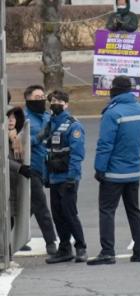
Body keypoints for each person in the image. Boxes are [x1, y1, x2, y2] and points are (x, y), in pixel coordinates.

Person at [87, 76, 140, 266]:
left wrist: (100, 168)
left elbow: (105, 144)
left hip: (114, 173)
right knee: (134, 210)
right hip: (133, 170)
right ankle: (139, 250)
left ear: (113, 90)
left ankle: (108, 252)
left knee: (107, 211)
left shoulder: (112, 114)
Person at [43, 90, 88, 264]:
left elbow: (77, 154)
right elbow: (48, 153)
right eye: (53, 100)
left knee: (70, 213)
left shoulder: (73, 125)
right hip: (54, 178)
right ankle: (64, 249)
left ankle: (81, 247)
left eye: (59, 101)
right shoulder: (51, 124)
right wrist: (46, 176)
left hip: (67, 178)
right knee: (58, 215)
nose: (55, 103)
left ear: (66, 104)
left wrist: (72, 177)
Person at [23, 85, 58, 255]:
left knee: (28, 206)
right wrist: (38, 137)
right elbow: (18, 141)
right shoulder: (23, 118)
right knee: (40, 205)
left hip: (48, 166)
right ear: (28, 99)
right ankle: (51, 242)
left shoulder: (48, 116)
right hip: (31, 167)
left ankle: (15, 237)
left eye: (43, 97)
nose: (42, 100)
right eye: (37, 97)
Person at [6, 106, 32, 233]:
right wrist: (20, 168)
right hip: (4, 185)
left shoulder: (17, 138)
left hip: (13, 185)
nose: (11, 121)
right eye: (8, 118)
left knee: (10, 220)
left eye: (13, 118)